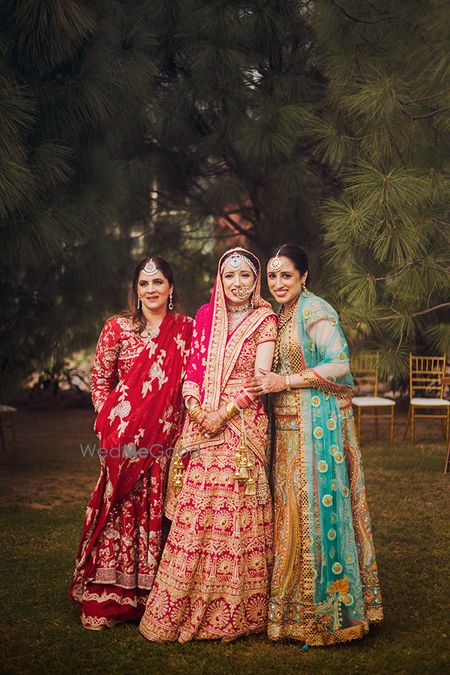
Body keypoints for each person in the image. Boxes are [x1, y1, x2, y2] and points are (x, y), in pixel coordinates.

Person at [139, 248, 278, 643]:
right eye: (230, 275)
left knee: (235, 509)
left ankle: (238, 611)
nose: (237, 283)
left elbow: (261, 378)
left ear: (255, 282)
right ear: (221, 278)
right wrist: (196, 407)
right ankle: (182, 603)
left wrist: (224, 413)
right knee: (195, 511)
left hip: (242, 422)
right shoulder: (205, 315)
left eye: (246, 276)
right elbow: (193, 370)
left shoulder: (264, 320)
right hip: (202, 419)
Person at [247, 244, 383, 647]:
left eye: (285, 275)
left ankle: (331, 615)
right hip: (287, 432)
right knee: (291, 516)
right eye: (272, 277)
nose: (278, 283)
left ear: (304, 276)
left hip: (314, 430)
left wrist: (285, 382)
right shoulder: (281, 315)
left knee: (316, 513)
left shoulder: (315, 309)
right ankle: (291, 613)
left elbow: (339, 362)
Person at [69, 257, 192, 630]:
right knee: (120, 510)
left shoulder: (186, 329)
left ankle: (150, 597)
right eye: (144, 283)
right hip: (123, 443)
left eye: (158, 282)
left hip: (166, 440)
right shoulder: (117, 328)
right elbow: (100, 380)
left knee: (157, 511)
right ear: (135, 290)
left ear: (171, 288)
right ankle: (109, 595)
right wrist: (109, 425)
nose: (151, 290)